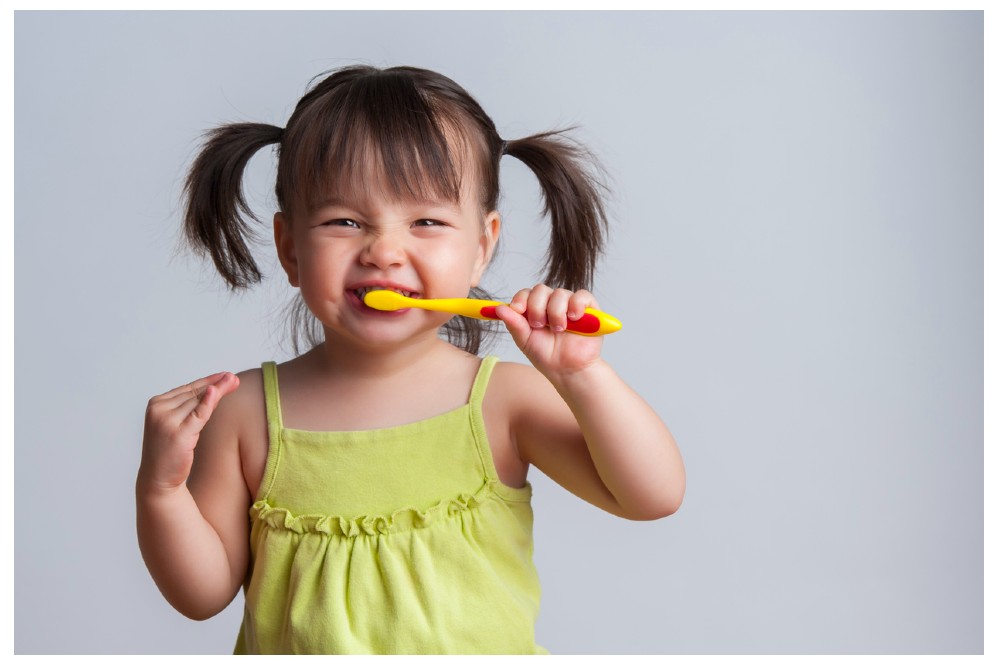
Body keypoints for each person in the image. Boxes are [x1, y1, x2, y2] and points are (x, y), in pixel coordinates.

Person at [136, 64, 685, 655]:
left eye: (426, 221)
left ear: (480, 248)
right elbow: (202, 595)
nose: (384, 252)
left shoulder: (502, 402)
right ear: (290, 248)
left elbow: (651, 496)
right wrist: (161, 491)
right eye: (344, 221)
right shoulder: (243, 413)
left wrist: (582, 376)